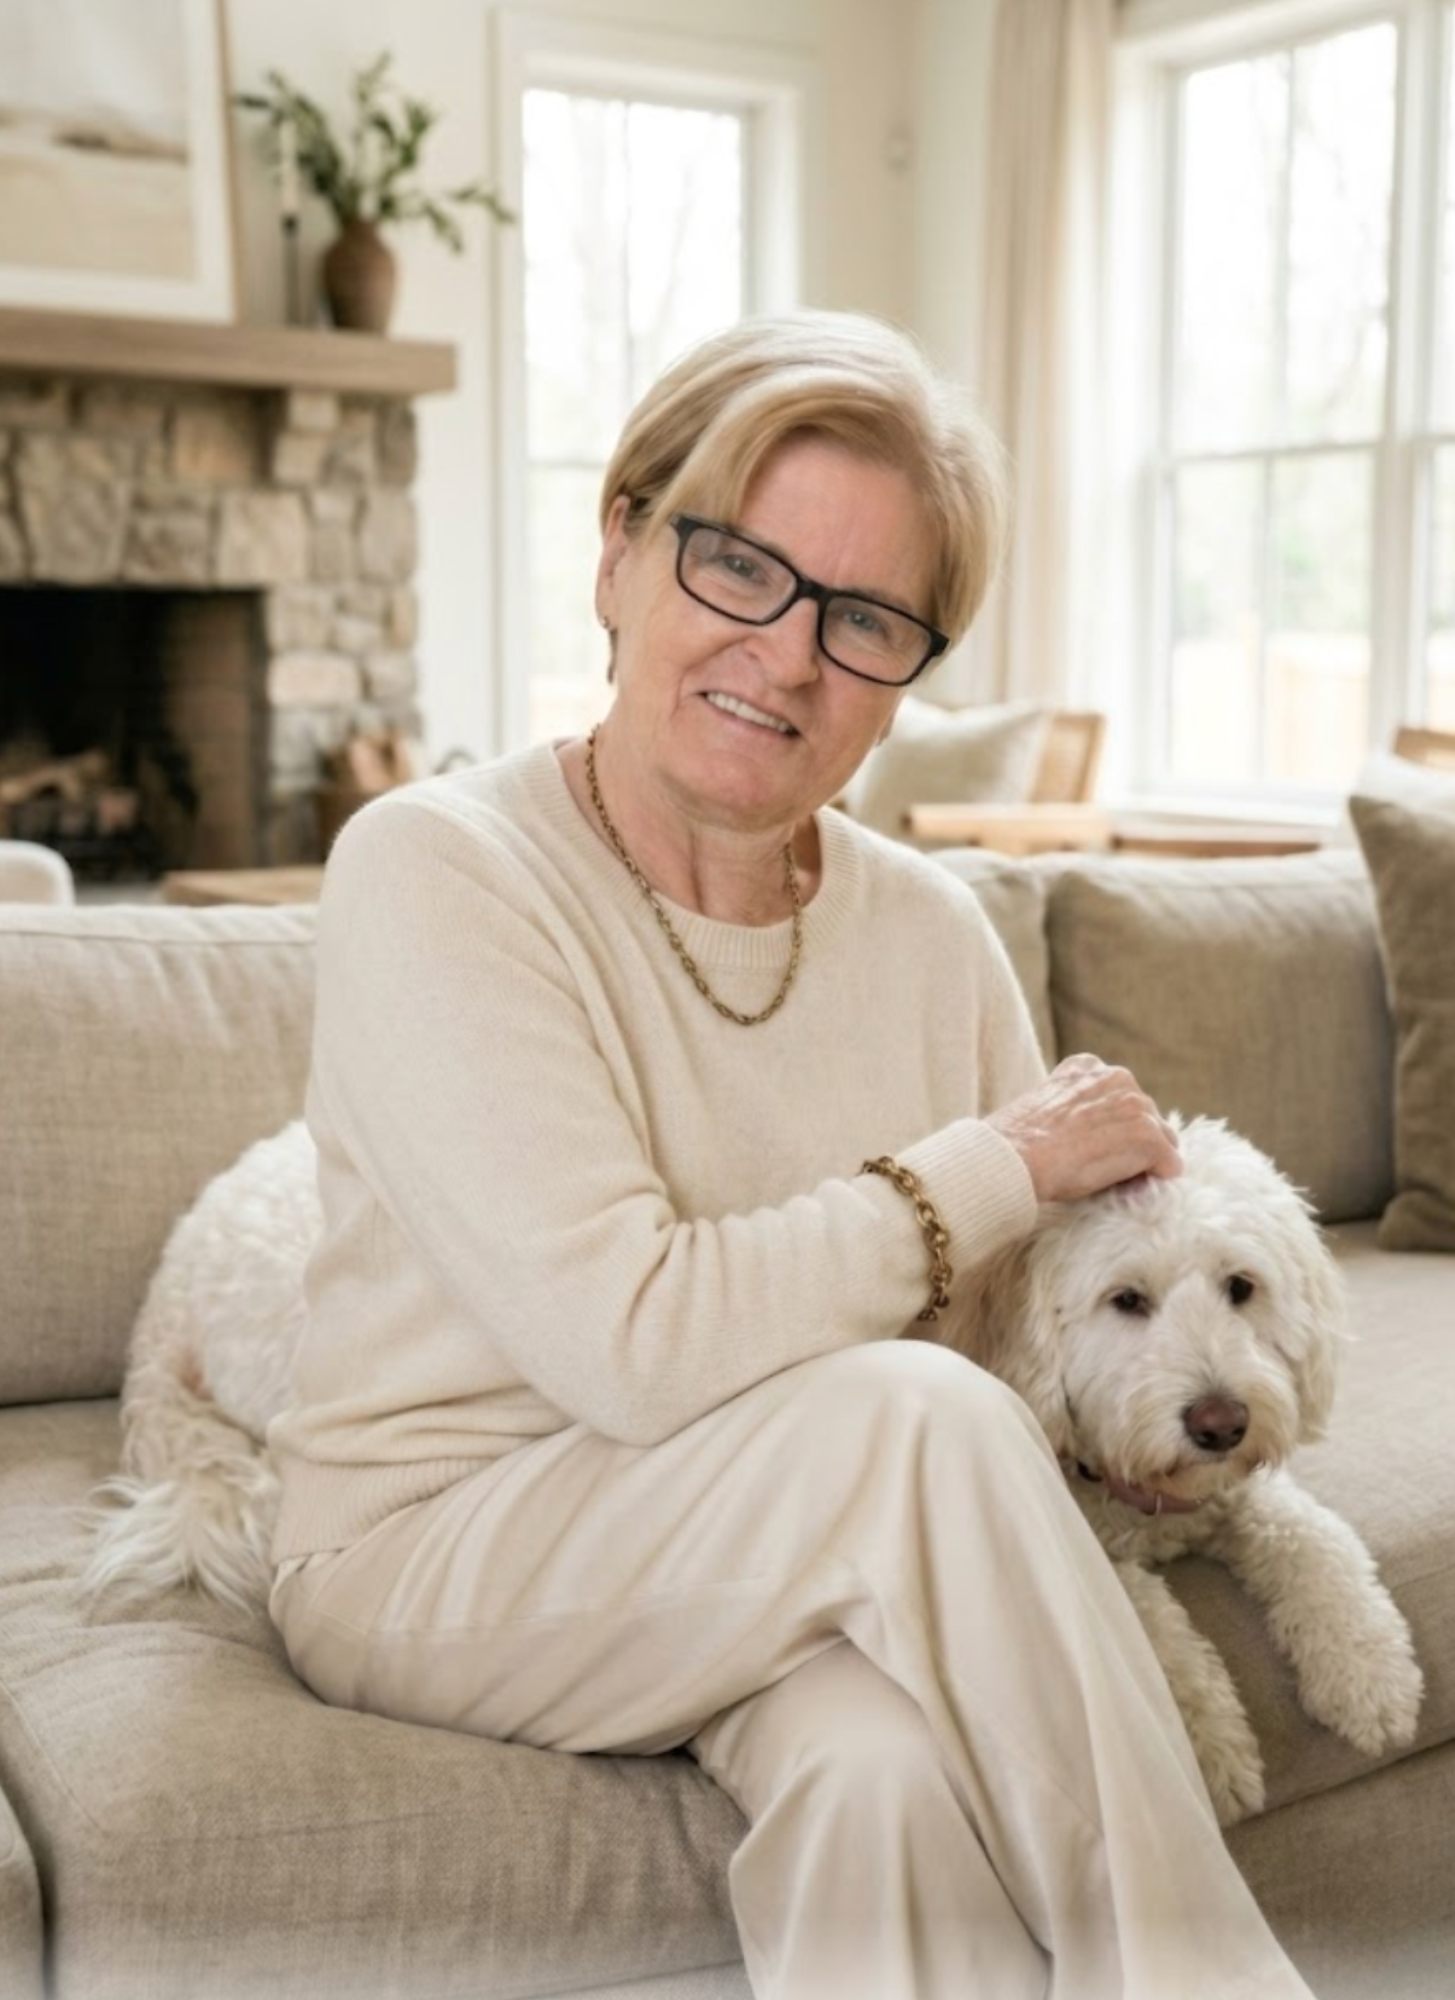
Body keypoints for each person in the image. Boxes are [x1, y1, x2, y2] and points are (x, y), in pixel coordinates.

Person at [265, 310, 1317, 2000]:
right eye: (739, 567)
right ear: (619, 550)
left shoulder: (935, 933)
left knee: (882, 1785)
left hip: (771, 1555)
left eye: (867, 618)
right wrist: (990, 1166)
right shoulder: (436, 871)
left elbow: (997, 1345)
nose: (790, 654)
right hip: (436, 1548)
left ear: (907, 677)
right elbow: (630, 1340)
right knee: (911, 1417)